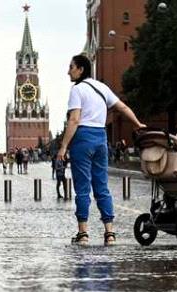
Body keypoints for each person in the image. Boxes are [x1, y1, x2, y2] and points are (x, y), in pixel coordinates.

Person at [56, 54, 145, 245]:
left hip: (83, 139)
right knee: (102, 187)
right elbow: (122, 107)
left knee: (82, 188)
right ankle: (110, 233)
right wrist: (137, 123)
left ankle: (83, 234)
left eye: (71, 67)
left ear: (80, 69)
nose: (68, 71)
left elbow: (74, 120)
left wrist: (63, 147)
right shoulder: (102, 88)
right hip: (101, 138)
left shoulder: (77, 90)